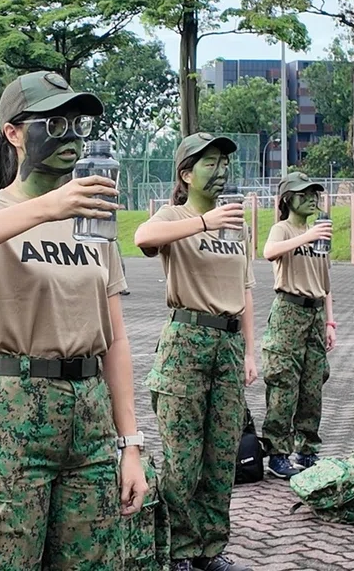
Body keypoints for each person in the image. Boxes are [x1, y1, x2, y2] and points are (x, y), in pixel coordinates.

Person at [0, 70, 148, 570]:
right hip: (12, 414)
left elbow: (115, 339)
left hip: (88, 418)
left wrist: (130, 445)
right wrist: (46, 208)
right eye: (54, 123)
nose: (70, 136)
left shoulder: (95, 221)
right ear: (14, 133)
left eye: (77, 125)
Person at [133, 132, 258, 571]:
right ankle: (178, 551)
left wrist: (249, 351)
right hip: (187, 342)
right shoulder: (175, 215)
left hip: (228, 345)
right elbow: (144, 237)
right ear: (186, 174)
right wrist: (205, 222)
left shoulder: (237, 224)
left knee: (221, 457)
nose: (221, 171)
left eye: (225, 163)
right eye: (211, 163)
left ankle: (209, 549)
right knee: (182, 458)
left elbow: (245, 288)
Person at [260, 172, 336, 480]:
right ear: (287, 200)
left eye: (314, 194)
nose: (311, 199)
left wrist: (330, 321)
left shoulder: (320, 233)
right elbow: (269, 252)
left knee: (313, 384)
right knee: (283, 383)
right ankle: (278, 452)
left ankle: (307, 449)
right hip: (289, 310)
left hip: (315, 313)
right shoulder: (283, 229)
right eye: (303, 194)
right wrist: (307, 236)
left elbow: (326, 282)